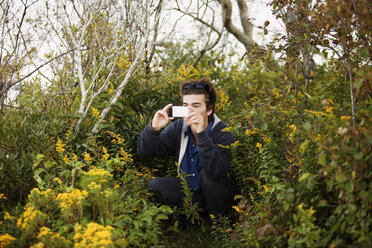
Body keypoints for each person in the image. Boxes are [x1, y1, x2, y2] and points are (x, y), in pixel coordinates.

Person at [137, 77, 235, 216]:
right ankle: (191, 219)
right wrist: (154, 129)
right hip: (191, 192)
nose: (190, 111)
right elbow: (145, 151)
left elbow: (216, 172)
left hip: (218, 194)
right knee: (154, 185)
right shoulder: (179, 127)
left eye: (196, 106)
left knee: (207, 177)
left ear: (209, 110)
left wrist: (201, 134)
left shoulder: (223, 132)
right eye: (185, 106)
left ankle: (220, 225)